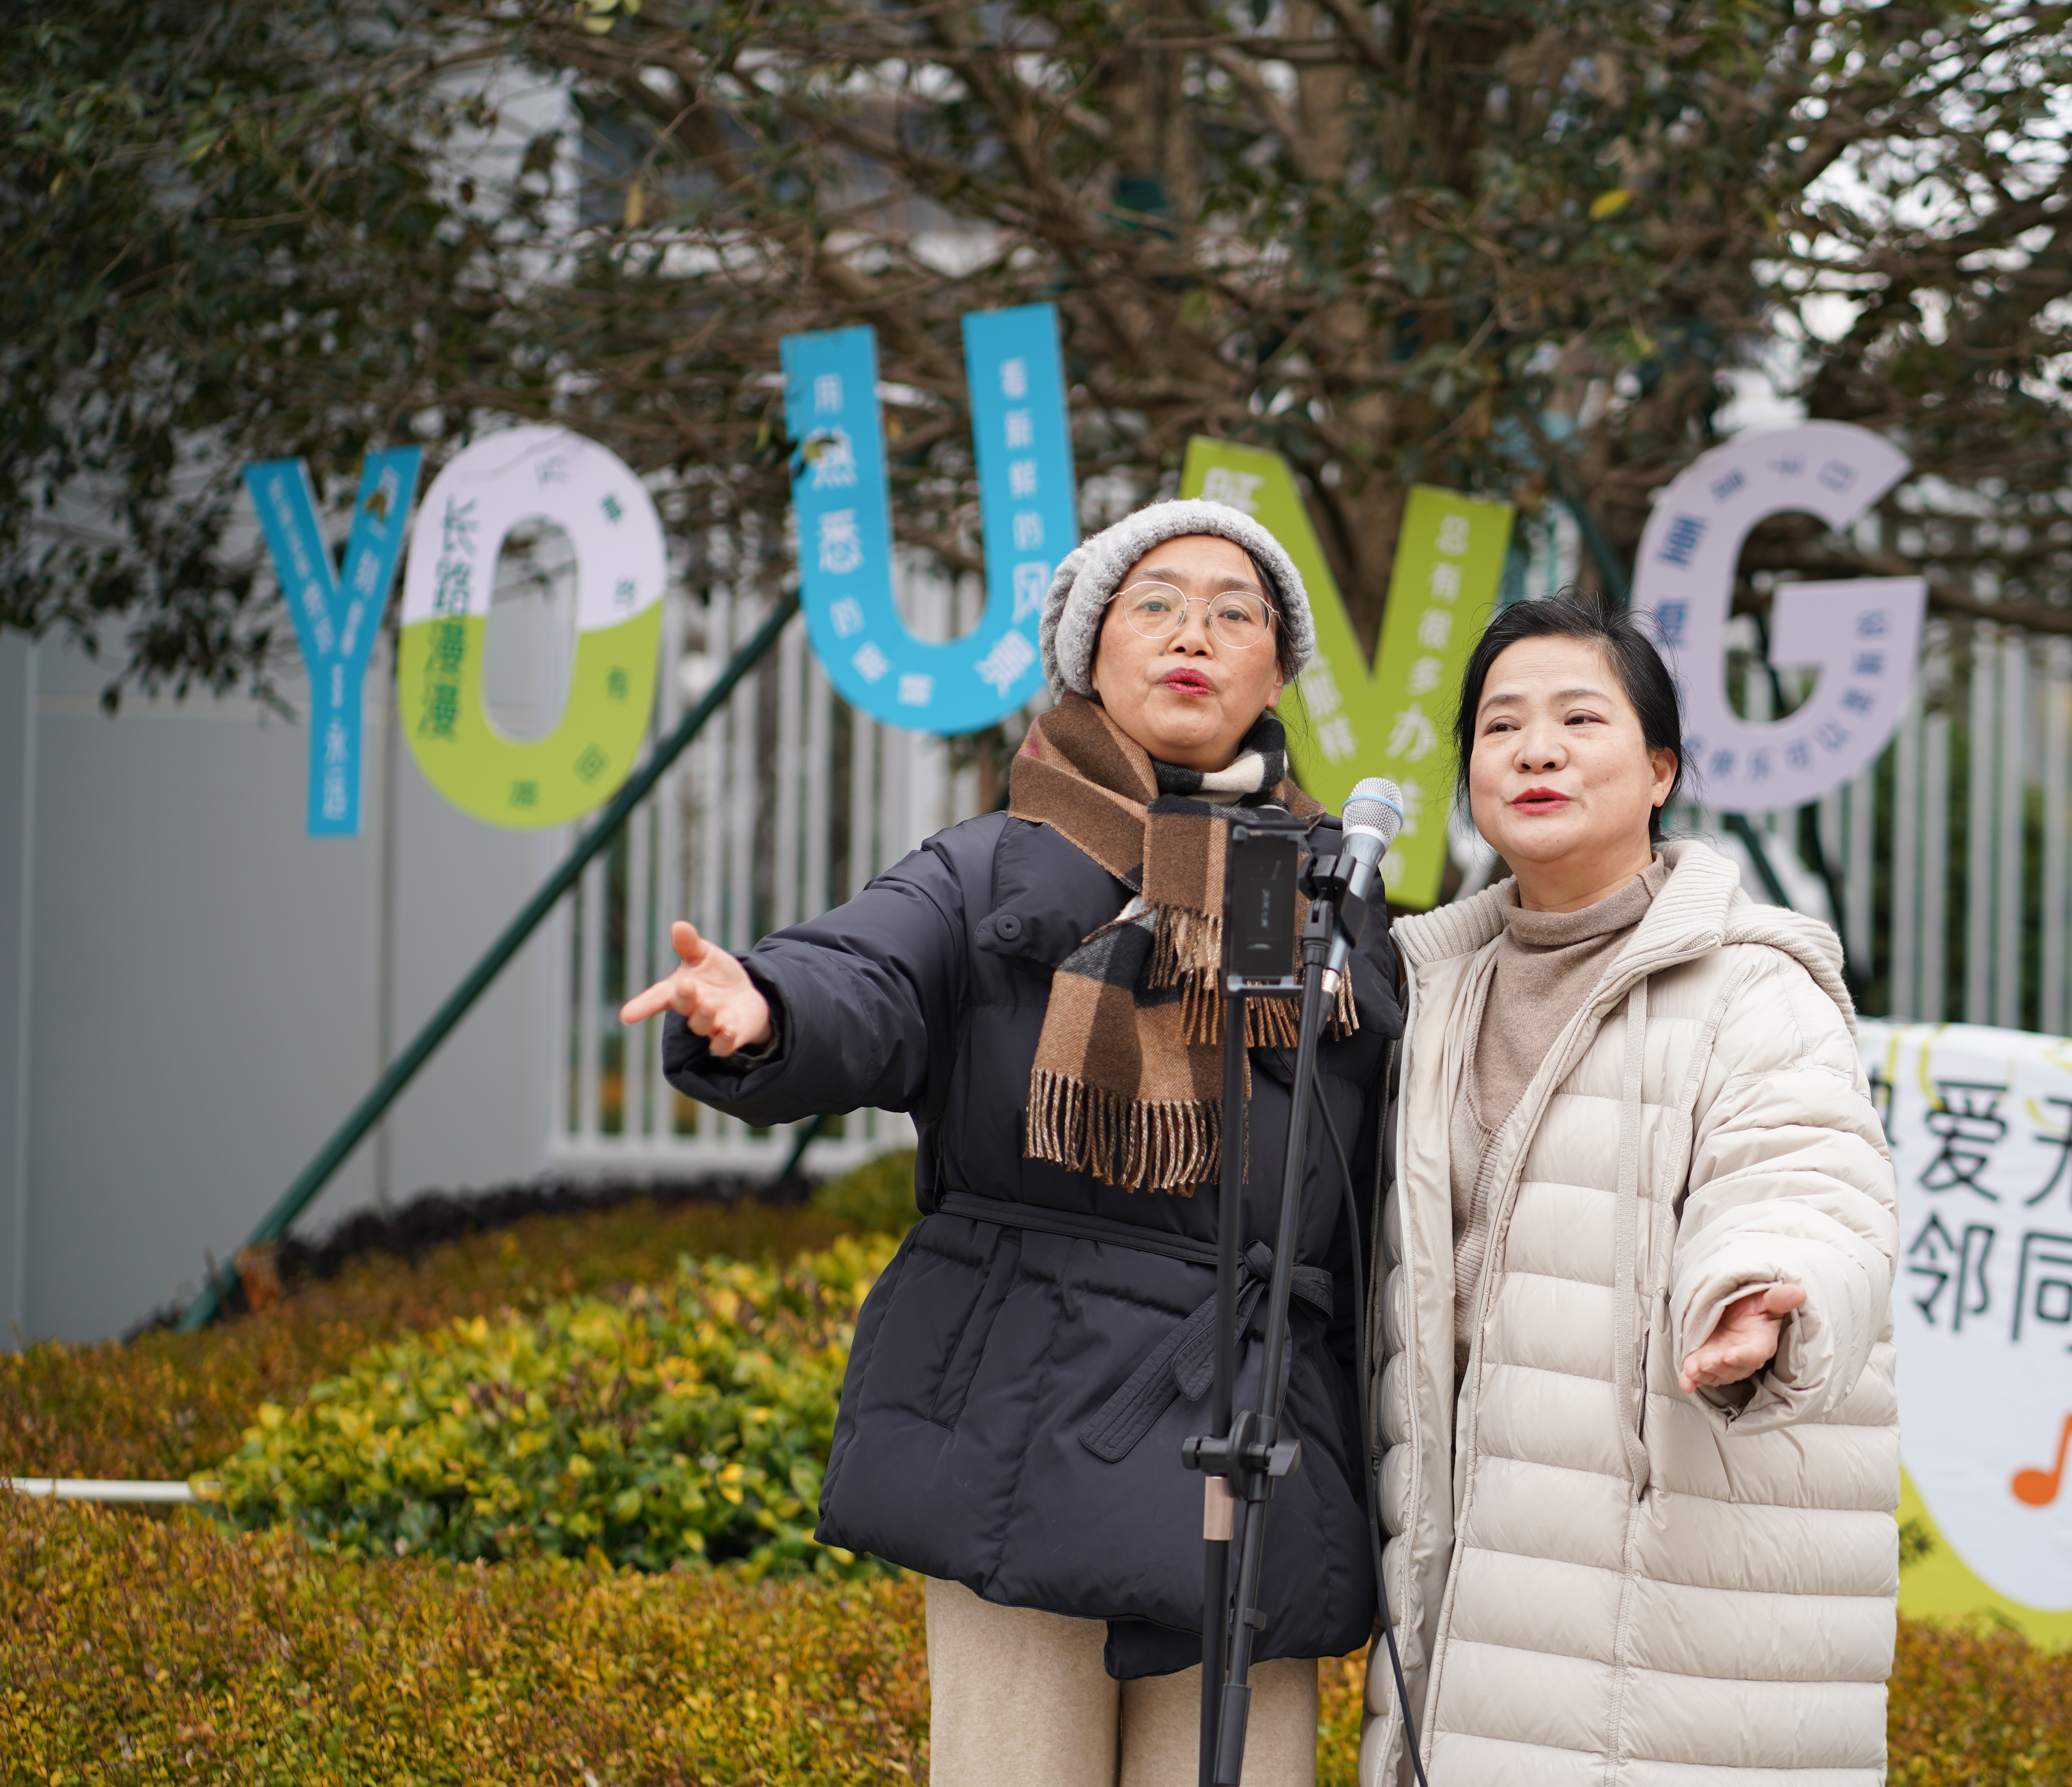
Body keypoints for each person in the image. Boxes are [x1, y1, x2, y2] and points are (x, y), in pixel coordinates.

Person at [619, 499, 1398, 1787]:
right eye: (1156, 606)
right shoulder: (986, 867)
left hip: (1253, 1439)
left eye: (1235, 612)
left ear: (1276, 673)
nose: (1193, 634)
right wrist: (768, 1007)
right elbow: (867, 974)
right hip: (1025, 1428)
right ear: (1092, 653)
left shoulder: (1329, 897)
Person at [1359, 595, 1900, 1783]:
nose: (1535, 751)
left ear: (1660, 771)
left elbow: (1805, 1175)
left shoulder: (1752, 986)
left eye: (1579, 719)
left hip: (1679, 1610)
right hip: (1480, 1586)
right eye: (1501, 727)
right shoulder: (1427, 996)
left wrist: (1758, 1288)